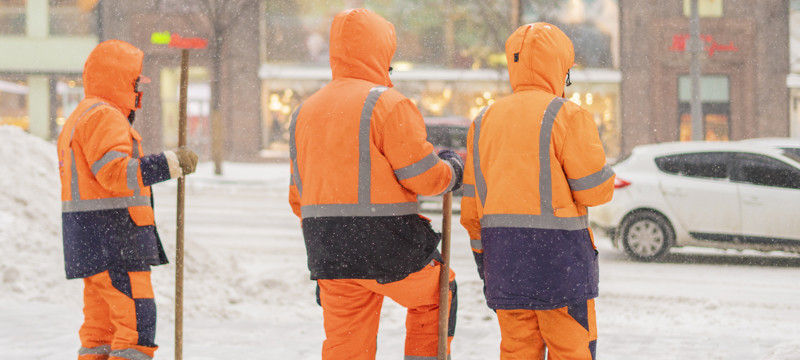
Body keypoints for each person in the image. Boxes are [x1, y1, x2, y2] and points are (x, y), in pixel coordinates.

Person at [288, 8, 463, 360]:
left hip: (328, 248)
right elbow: (425, 178)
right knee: (439, 293)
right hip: (388, 246)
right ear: (382, 52)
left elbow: (298, 197)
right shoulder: (387, 103)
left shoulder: (304, 112)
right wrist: (453, 172)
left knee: (346, 345)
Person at [460, 23, 615, 359]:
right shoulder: (567, 115)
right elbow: (596, 192)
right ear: (560, 67)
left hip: (505, 263)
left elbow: (472, 210)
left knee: (516, 351)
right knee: (571, 350)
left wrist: (485, 262)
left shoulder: (483, 121)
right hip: (560, 268)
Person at [57, 39, 198, 360]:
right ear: (119, 80)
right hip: (116, 239)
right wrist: (171, 163)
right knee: (136, 328)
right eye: (136, 81)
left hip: (92, 241)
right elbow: (115, 173)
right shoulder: (104, 116)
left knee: (100, 332)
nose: (139, 89)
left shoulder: (82, 115)